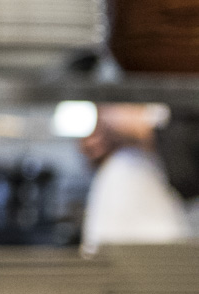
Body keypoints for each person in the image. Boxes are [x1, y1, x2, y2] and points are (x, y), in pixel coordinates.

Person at [79, 104, 194, 252]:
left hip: (157, 187)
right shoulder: (117, 166)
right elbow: (91, 150)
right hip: (123, 184)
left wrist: (140, 127)